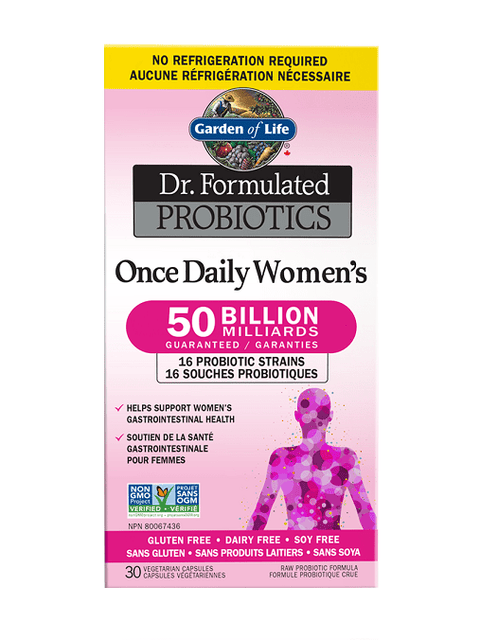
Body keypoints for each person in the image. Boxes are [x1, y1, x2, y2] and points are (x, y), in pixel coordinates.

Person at [246, 388, 376, 531]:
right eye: (308, 413)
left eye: (320, 412)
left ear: (297, 416)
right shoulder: (345, 458)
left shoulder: (283, 459)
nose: (314, 418)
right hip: (324, 544)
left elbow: (260, 514)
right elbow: (366, 513)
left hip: (306, 544)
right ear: (330, 417)